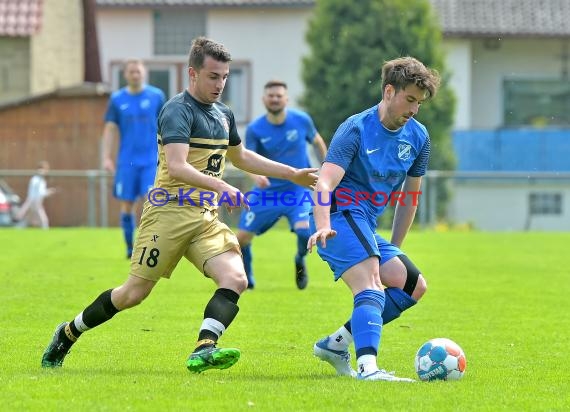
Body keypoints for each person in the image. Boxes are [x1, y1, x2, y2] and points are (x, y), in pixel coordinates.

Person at [41, 37, 318, 373]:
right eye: (213, 76)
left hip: (204, 216)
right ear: (193, 73)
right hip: (168, 213)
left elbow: (241, 156)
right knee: (132, 294)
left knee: (235, 278)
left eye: (225, 76)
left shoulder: (223, 114)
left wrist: (293, 174)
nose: (220, 84)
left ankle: (204, 347)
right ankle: (68, 333)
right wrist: (221, 185)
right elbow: (177, 166)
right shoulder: (177, 110)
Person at [307, 57, 440, 381]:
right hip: (338, 218)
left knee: (412, 285)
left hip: (364, 226)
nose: (414, 109)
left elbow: (410, 198)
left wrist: (393, 248)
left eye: (419, 103)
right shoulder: (355, 128)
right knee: (372, 287)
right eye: (409, 100)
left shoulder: (418, 138)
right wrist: (323, 224)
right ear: (389, 91)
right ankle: (368, 368)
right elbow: (324, 182)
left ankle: (336, 345)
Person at [236, 80, 327, 290]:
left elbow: (317, 143)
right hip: (266, 191)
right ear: (264, 99)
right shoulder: (255, 129)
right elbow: (245, 158)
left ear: (286, 99)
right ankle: (247, 276)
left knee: (305, 232)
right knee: (240, 239)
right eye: (271, 96)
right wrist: (254, 176)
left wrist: (326, 169)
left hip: (297, 191)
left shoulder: (302, 120)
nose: (275, 99)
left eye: (279, 96)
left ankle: (299, 260)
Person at [102, 58, 166, 258]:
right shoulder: (117, 99)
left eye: (138, 71)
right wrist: (106, 157)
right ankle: (130, 249)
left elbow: (166, 126)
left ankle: (150, 247)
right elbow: (110, 129)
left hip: (150, 161)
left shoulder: (156, 96)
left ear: (144, 73)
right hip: (126, 162)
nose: (135, 75)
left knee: (152, 202)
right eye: (131, 72)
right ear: (125, 75)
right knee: (127, 204)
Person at [15, 161, 56, 229]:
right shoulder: (36, 179)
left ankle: (18, 228)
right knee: (43, 220)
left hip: (35, 202)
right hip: (34, 202)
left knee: (27, 219)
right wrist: (49, 192)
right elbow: (40, 193)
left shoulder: (40, 180)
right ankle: (45, 230)